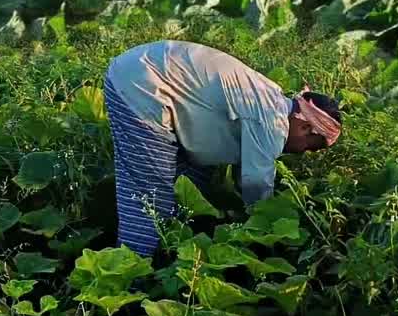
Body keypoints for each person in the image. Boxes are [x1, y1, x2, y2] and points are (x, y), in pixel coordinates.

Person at [101, 40, 342, 257]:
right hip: (142, 87)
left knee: (193, 181)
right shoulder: (274, 122)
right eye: (311, 148)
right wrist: (265, 235)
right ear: (306, 128)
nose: (303, 154)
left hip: (143, 71)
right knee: (151, 198)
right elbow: (256, 184)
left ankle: (171, 253)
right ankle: (131, 277)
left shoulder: (272, 99)